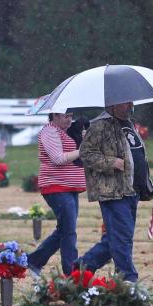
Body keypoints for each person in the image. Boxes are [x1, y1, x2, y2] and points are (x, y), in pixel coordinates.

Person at [78, 101, 138, 282]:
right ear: (113, 105)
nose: (131, 106)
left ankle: (83, 267)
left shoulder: (127, 123)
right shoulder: (99, 126)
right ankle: (128, 279)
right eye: (126, 103)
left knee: (116, 238)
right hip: (112, 192)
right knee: (121, 238)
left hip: (130, 190)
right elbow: (85, 153)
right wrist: (111, 163)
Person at [26, 111, 87, 276]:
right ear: (54, 116)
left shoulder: (67, 131)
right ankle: (71, 272)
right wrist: (83, 150)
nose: (69, 119)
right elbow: (58, 158)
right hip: (55, 186)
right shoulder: (49, 132)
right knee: (69, 231)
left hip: (70, 187)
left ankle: (34, 261)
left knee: (65, 229)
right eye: (65, 115)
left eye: (71, 115)